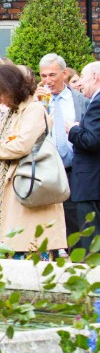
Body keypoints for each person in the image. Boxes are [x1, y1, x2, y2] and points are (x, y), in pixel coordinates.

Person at [0, 64, 66, 255]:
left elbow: (21, 145)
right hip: (15, 186)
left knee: (28, 248)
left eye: (0, 94)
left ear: (12, 88)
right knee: (13, 247)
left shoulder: (33, 109)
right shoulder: (12, 110)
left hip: (28, 184)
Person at [37, 52, 89, 241]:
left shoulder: (81, 101)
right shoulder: (38, 101)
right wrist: (35, 105)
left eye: (52, 75)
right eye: (43, 76)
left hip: (75, 169)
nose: (48, 80)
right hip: (47, 170)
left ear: (64, 73)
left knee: (75, 224)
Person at [67, 60, 100, 247]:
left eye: (84, 78)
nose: (80, 84)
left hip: (90, 183)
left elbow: (93, 140)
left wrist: (73, 129)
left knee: (91, 243)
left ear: (95, 77)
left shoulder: (97, 101)